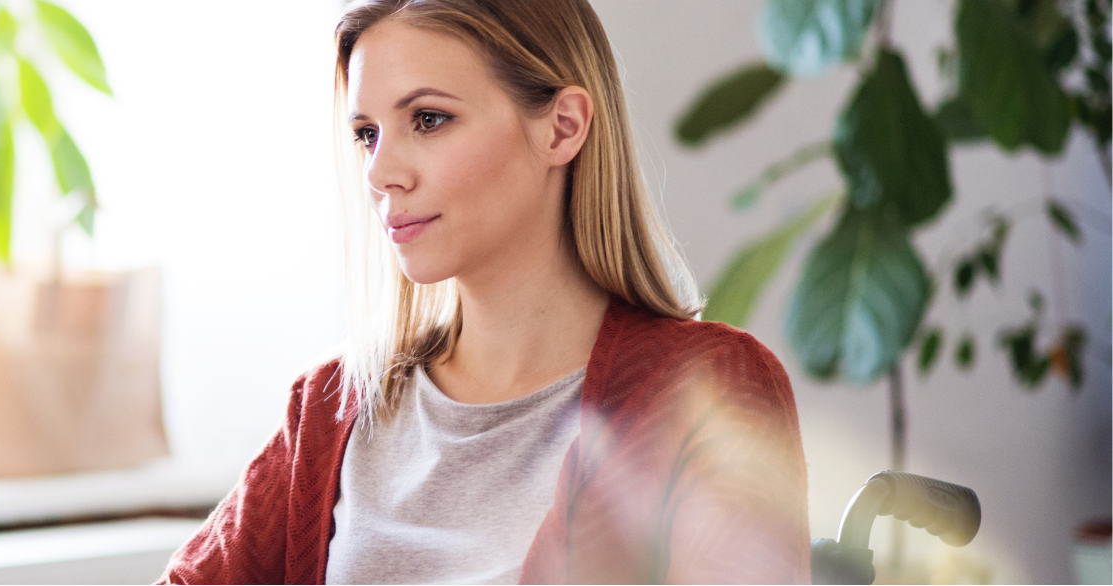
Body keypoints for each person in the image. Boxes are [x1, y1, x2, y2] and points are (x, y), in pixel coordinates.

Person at [159, 0, 809, 583]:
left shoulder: (707, 389)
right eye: (366, 134)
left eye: (429, 119)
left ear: (561, 128)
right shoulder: (328, 410)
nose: (380, 172)